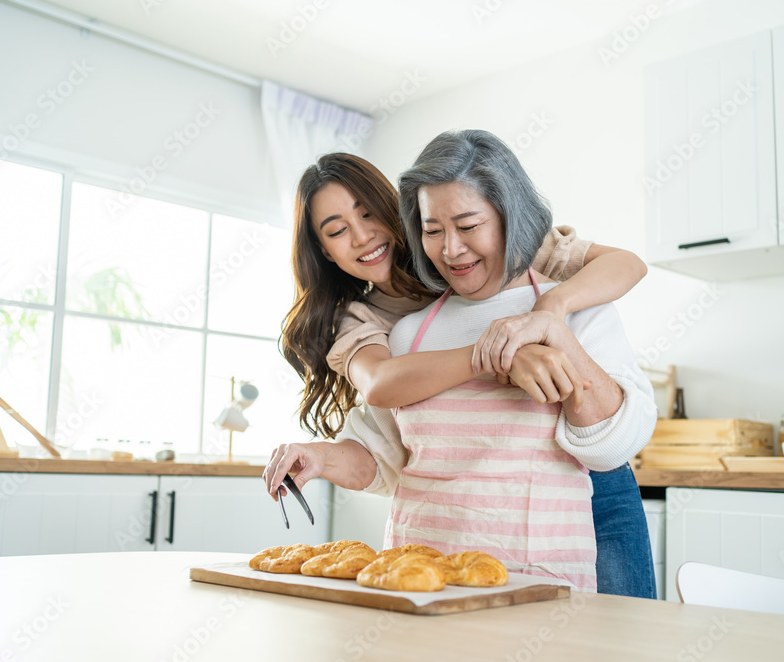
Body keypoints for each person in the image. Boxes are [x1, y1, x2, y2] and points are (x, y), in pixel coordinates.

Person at [267, 132, 657, 592]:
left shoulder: (549, 279)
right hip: (443, 547)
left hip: (584, 505)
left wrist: (551, 317)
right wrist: (497, 356)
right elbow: (385, 423)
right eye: (434, 231)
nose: (452, 250)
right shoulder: (384, 326)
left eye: (369, 214)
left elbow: (627, 264)